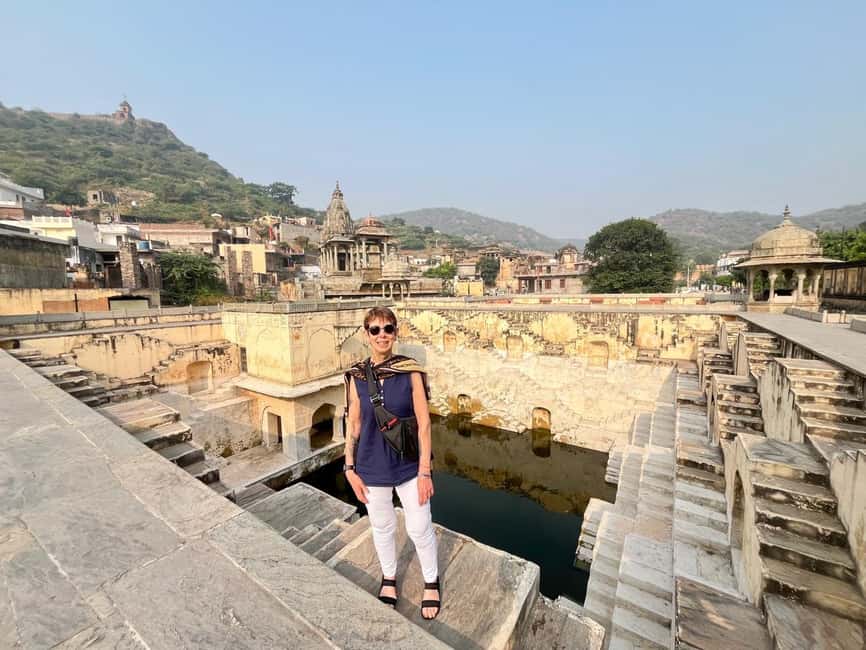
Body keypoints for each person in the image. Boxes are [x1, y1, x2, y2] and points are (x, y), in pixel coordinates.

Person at [343, 306, 440, 620]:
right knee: (382, 527)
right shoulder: (357, 376)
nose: (382, 335)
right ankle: (389, 577)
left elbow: (424, 424)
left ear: (396, 333)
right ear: (366, 334)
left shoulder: (410, 371)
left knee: (420, 527)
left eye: (388, 329)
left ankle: (431, 580)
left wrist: (425, 471)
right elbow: (354, 423)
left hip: (409, 465)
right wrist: (349, 467)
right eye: (375, 329)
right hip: (371, 466)